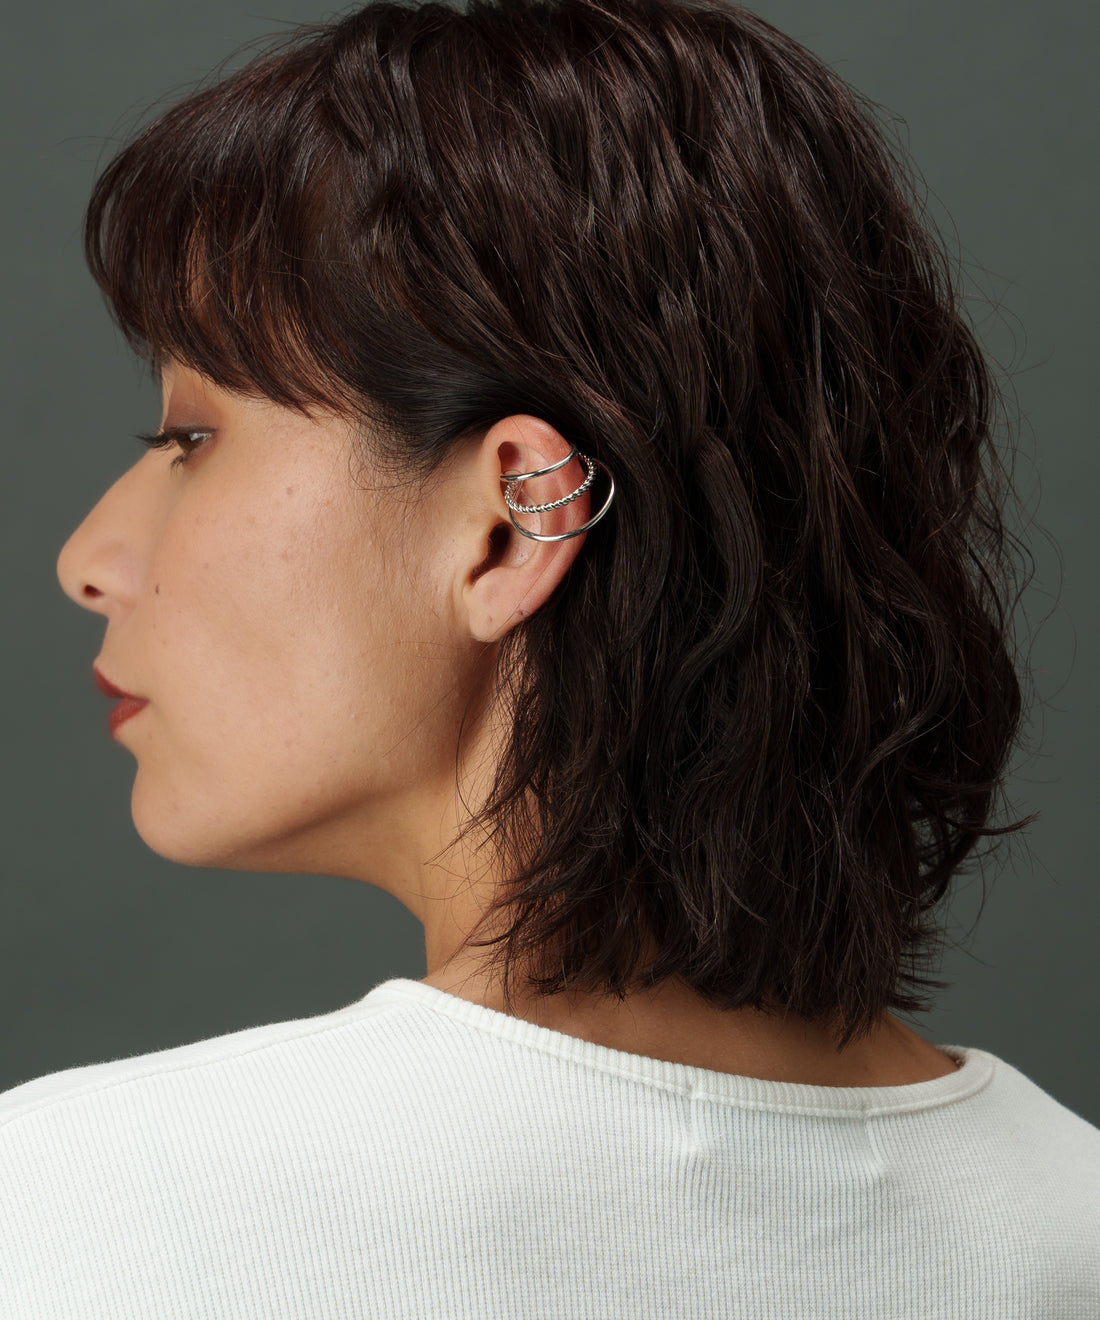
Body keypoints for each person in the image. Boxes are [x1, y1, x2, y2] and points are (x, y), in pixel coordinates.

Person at [2, 0, 1097, 1314]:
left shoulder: (88, 1211)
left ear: (514, 521)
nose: (88, 559)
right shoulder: (1071, 1224)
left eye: (189, 438)